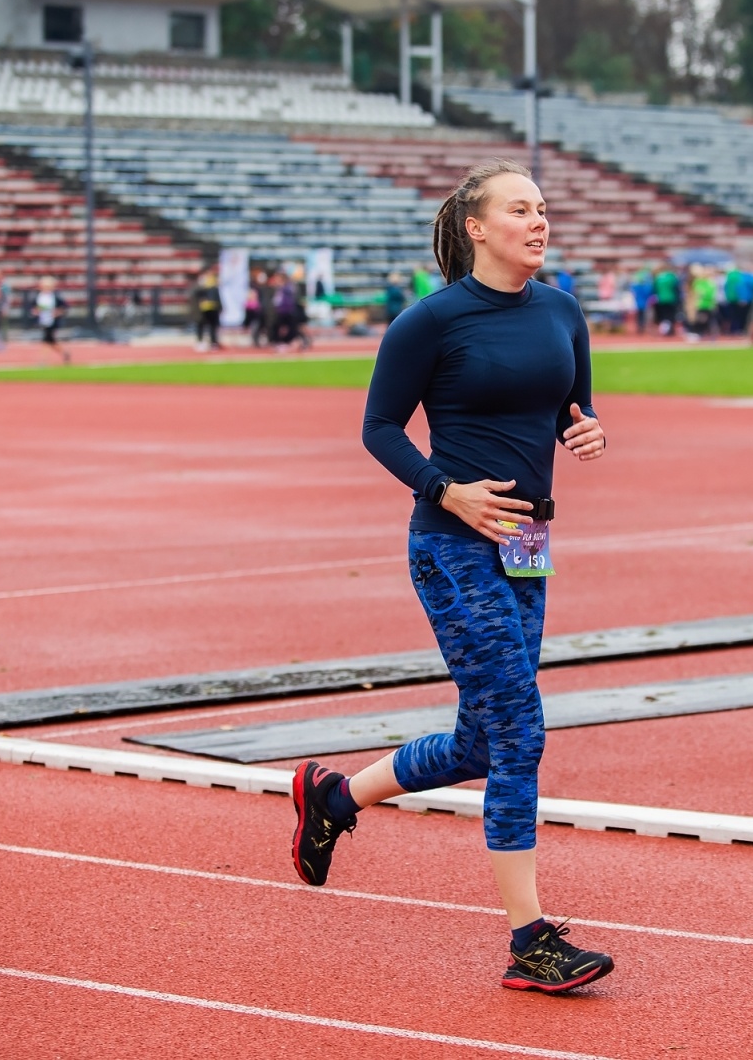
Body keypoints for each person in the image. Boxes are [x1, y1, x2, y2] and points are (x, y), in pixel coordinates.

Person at [292, 158, 614, 994]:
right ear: (476, 226)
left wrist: (587, 433)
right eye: (521, 210)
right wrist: (447, 490)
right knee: (519, 731)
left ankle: (333, 798)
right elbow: (378, 428)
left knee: (484, 737)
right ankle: (529, 941)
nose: (539, 222)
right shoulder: (430, 323)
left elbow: (570, 408)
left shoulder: (563, 312)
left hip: (529, 543)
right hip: (452, 543)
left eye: (543, 209)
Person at [32, 275, 69, 363]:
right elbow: (34, 308)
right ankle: (65, 353)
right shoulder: (39, 297)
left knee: (46, 340)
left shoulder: (55, 297)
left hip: (52, 322)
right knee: (51, 341)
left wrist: (57, 312)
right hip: (43, 321)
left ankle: (43, 360)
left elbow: (64, 307)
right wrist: (36, 311)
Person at [192, 268, 223, 352]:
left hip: (213, 308)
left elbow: (217, 296)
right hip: (202, 310)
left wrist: (220, 307)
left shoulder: (213, 284)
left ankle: (213, 342)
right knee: (201, 326)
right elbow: (195, 294)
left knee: (213, 326)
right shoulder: (200, 284)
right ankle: (200, 341)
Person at [653, 265, 679, 335]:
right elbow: (676, 288)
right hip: (671, 298)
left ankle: (665, 330)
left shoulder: (658, 278)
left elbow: (655, 289)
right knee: (671, 315)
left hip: (661, 299)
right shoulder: (672, 277)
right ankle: (670, 330)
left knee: (663, 316)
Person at [628, 266, 653, 335]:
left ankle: (640, 328)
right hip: (644, 303)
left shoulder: (637, 286)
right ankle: (642, 327)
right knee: (643, 316)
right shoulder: (645, 286)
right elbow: (649, 292)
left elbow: (632, 290)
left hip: (639, 303)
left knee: (640, 316)